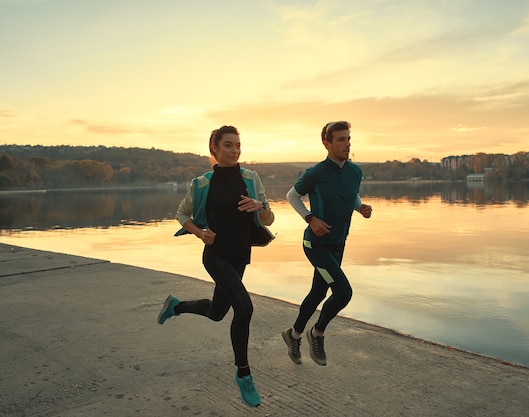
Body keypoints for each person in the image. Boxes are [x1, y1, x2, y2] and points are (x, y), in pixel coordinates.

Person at [157, 125, 274, 407]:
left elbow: (269, 218)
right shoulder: (203, 183)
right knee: (244, 308)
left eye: (238, 145)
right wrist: (200, 233)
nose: (235, 150)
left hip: (240, 256)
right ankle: (243, 374)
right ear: (215, 150)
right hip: (216, 255)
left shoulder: (251, 178)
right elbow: (182, 214)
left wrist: (259, 206)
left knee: (217, 313)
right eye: (228, 145)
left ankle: (176, 306)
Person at [281, 121, 372, 366]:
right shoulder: (316, 173)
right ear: (327, 143)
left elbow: (350, 193)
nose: (347, 144)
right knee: (343, 293)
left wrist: (359, 206)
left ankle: (294, 335)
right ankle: (317, 332)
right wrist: (310, 219)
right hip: (316, 245)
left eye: (348, 139)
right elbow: (292, 195)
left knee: (319, 292)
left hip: (338, 242)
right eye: (341, 139)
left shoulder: (355, 171)